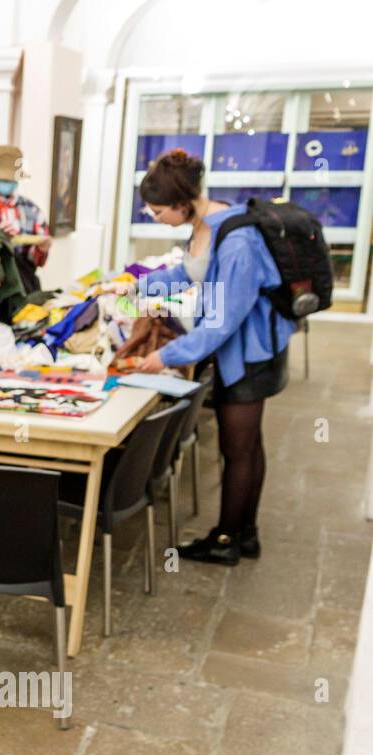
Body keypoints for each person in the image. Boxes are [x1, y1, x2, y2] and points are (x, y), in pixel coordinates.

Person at [133, 149, 291, 565]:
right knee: (247, 447)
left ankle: (225, 540)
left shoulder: (236, 239)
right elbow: (189, 272)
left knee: (238, 450)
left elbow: (222, 322)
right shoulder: (204, 224)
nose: (155, 218)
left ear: (182, 203)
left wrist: (165, 354)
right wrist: (137, 287)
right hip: (238, 349)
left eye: (158, 211)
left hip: (252, 354)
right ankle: (247, 534)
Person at [0, 144, 52, 319]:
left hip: (22, 292)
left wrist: (41, 249)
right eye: (5, 178)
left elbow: (34, 261)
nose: (10, 183)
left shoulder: (31, 210)